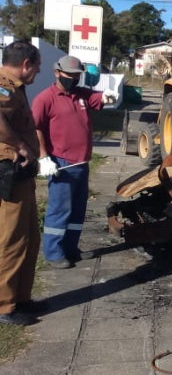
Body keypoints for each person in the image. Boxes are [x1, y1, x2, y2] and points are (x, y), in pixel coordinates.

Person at [31, 55, 118, 269]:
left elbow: (97, 99)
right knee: (59, 210)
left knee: (78, 210)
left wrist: (107, 96)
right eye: (69, 75)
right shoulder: (45, 99)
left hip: (81, 163)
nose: (73, 78)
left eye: (77, 75)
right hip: (62, 164)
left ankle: (71, 248)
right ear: (57, 72)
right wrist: (43, 156)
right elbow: (36, 128)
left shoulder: (80, 94)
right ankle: (53, 253)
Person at [0, 41, 43, 325]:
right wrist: (21, 146)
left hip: (22, 176)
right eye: (37, 67)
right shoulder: (4, 86)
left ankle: (21, 298)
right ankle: (4, 306)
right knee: (12, 239)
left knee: (29, 236)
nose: (37, 73)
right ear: (26, 64)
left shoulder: (15, 87)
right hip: (10, 174)